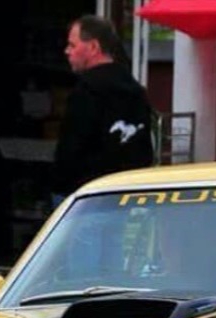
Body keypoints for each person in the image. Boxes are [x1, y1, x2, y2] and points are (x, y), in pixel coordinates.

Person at [53, 15, 155, 203]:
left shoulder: (87, 91)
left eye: (73, 45)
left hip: (87, 197)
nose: (67, 51)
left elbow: (71, 150)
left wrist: (61, 187)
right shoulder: (136, 91)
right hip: (127, 194)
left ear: (93, 47)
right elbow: (145, 150)